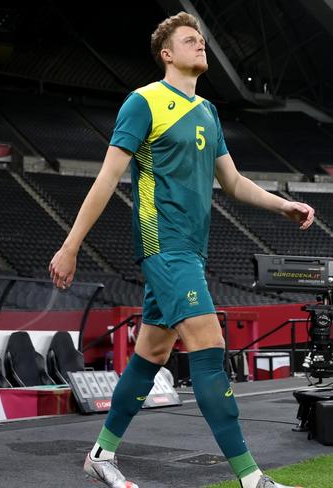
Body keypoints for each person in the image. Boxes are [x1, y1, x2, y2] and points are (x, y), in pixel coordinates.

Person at [49, 12, 313, 488]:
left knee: (151, 353)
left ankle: (100, 454)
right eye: (190, 40)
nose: (201, 46)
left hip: (191, 251)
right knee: (210, 348)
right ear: (167, 54)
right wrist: (70, 246)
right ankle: (251, 478)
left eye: (202, 40)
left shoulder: (208, 112)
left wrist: (282, 206)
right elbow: (108, 178)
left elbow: (231, 182)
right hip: (162, 244)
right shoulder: (144, 102)